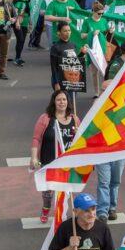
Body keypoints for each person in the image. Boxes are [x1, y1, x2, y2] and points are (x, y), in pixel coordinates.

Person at [31, 90, 80, 221]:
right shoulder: (45, 118)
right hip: (49, 160)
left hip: (67, 162)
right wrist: (34, 157)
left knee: (66, 189)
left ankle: (63, 214)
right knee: (48, 191)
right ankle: (46, 208)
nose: (61, 102)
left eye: (64, 99)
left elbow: (80, 140)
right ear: (54, 101)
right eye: (59, 99)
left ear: (68, 102)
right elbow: (36, 138)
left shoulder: (74, 119)